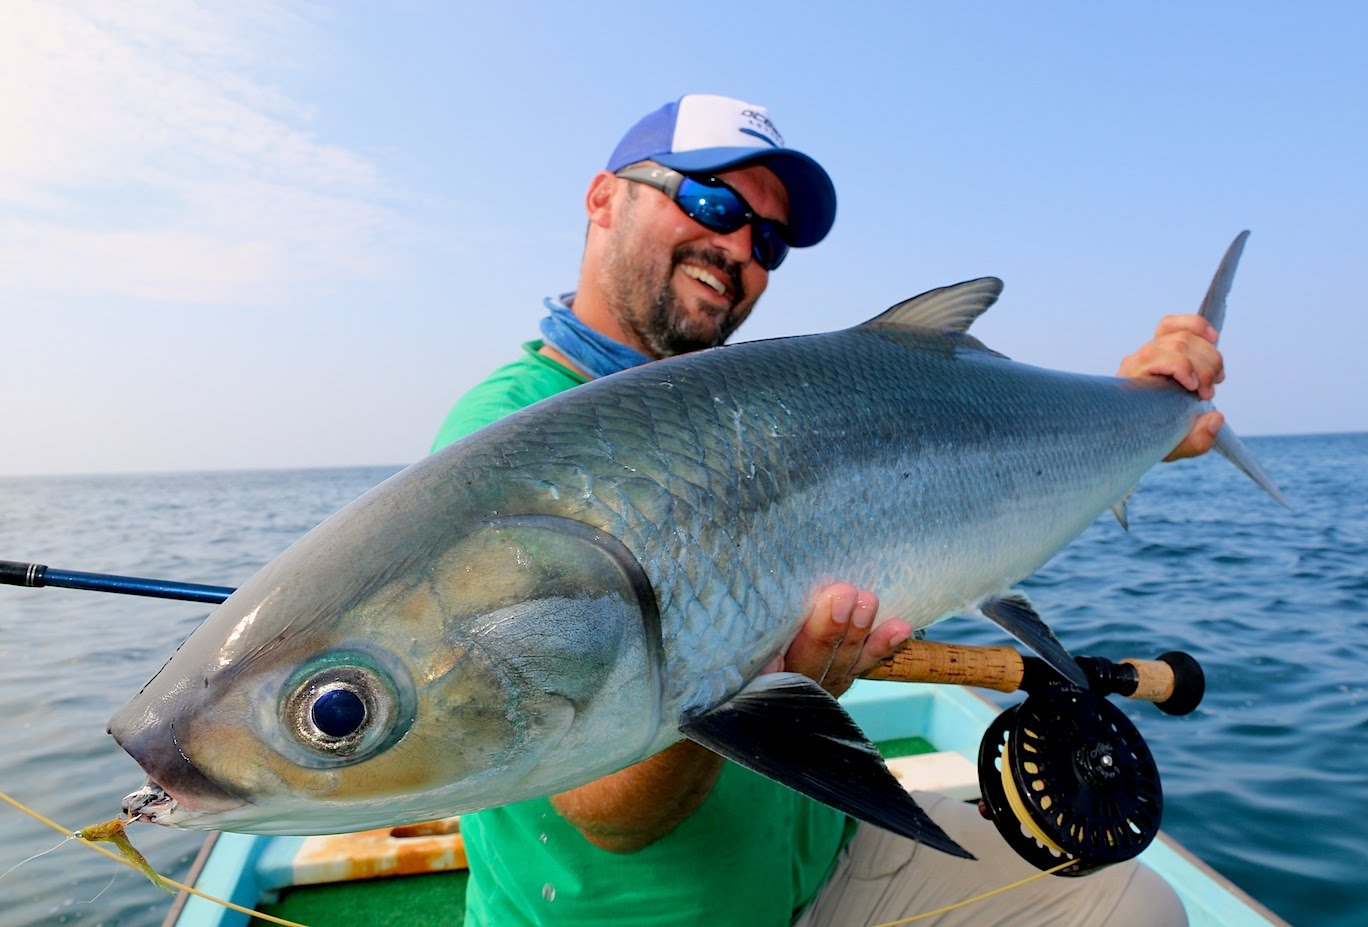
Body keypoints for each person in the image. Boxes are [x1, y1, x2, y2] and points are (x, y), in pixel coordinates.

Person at [432, 94, 1217, 927]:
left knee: (1137, 907)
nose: (737, 246)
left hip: (827, 861)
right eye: (708, 201)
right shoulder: (501, 447)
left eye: (767, 239)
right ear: (603, 198)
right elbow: (611, 810)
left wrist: (1148, 415)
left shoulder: (769, 407)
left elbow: (1000, 464)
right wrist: (750, 677)